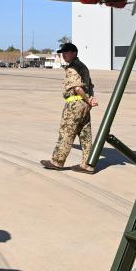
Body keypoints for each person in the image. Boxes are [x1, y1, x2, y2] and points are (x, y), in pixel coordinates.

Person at [40, 42, 98, 174]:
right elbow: (90, 86)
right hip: (84, 105)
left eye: (66, 52)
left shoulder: (73, 68)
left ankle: (57, 162)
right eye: (62, 53)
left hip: (74, 105)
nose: (63, 55)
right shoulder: (83, 67)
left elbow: (77, 88)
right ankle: (88, 164)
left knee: (66, 132)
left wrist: (88, 99)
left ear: (74, 53)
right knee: (85, 135)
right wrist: (90, 100)